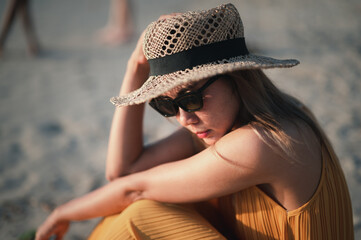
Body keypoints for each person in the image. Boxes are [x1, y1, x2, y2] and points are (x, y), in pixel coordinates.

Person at [36, 3, 354, 239]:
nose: (183, 118)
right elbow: (122, 171)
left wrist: (64, 212)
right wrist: (136, 64)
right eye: (165, 105)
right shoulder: (237, 122)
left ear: (237, 78)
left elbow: (131, 188)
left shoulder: (264, 141)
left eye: (191, 98)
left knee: (141, 214)